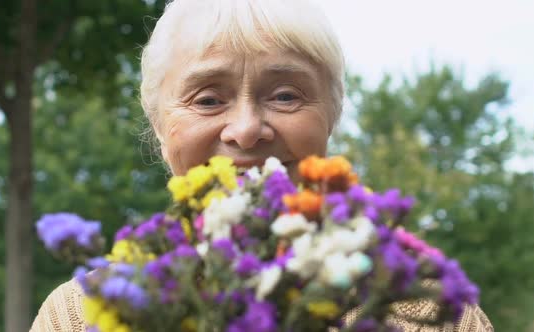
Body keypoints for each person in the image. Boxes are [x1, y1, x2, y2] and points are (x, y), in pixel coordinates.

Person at [31, 0, 493, 331]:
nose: (248, 129)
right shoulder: (76, 316)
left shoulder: (429, 311)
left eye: (286, 95)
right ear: (159, 125)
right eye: (208, 99)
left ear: (330, 115)